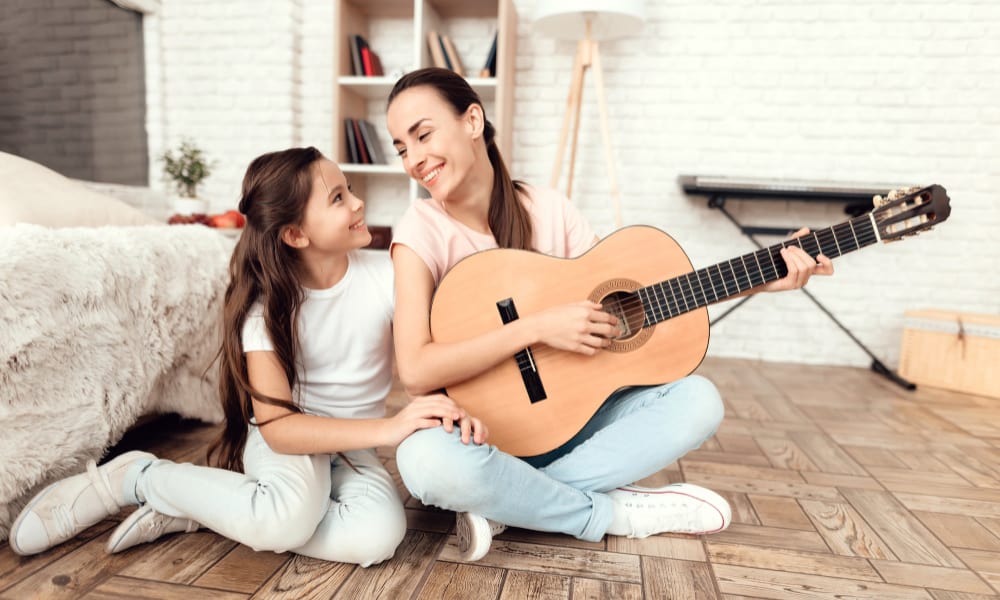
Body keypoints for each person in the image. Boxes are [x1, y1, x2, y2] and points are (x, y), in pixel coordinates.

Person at [384, 67, 835, 562]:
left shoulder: (549, 208)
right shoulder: (419, 231)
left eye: (423, 135)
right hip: (479, 435)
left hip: (571, 426)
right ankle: (611, 515)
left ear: (473, 121)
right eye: (402, 147)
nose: (415, 159)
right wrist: (535, 327)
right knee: (425, 465)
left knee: (699, 400)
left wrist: (764, 277)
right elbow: (417, 371)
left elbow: (628, 305)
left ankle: (515, 503)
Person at [8, 146, 481, 567]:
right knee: (288, 519)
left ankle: (216, 509)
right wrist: (390, 429)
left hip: (352, 447)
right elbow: (280, 428)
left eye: (349, 190)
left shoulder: (389, 276)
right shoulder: (266, 311)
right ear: (296, 234)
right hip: (289, 441)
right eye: (338, 198)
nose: (358, 203)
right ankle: (137, 478)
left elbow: (436, 342)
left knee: (377, 537)